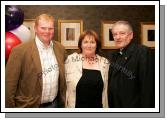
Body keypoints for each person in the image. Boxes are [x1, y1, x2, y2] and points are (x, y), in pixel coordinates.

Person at [5, 14, 67, 108]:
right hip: (28, 107)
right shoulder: (19, 51)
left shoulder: (60, 48)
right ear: (35, 28)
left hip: (54, 105)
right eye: (43, 28)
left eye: (50, 28)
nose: (47, 31)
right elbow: (9, 86)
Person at [108, 20, 155, 108]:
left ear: (131, 35)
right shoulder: (114, 55)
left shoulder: (143, 52)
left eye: (122, 33)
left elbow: (148, 89)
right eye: (115, 34)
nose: (117, 37)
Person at [65, 30, 109, 108]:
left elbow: (107, 90)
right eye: (85, 42)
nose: (89, 45)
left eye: (92, 42)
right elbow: (63, 86)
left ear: (97, 45)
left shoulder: (104, 62)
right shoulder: (71, 60)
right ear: (80, 45)